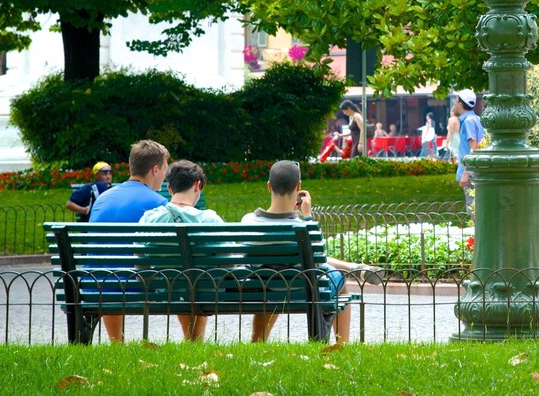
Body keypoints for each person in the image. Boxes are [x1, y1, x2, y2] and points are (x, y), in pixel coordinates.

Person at [241, 160, 384, 343]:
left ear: (269, 187)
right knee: (337, 278)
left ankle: (257, 341)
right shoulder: (303, 226)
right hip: (302, 287)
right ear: (299, 187)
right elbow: (317, 262)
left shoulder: (248, 221)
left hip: (264, 286)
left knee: (274, 276)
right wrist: (307, 216)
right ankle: (342, 343)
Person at [89, 139, 170, 343]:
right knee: (185, 280)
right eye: (164, 169)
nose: (165, 176)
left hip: (94, 282)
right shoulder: (158, 203)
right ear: (154, 170)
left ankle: (117, 343)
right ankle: (193, 341)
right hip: (134, 284)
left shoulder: (103, 198)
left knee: (110, 270)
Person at [139, 160, 222, 341]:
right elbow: (228, 261)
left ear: (169, 188)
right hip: (205, 290)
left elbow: (140, 264)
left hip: (166, 290)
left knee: (181, 283)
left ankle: (193, 343)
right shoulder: (209, 219)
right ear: (197, 185)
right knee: (198, 281)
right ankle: (195, 343)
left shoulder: (149, 219)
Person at [453, 89, 485, 214]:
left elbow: (474, 147)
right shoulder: (476, 118)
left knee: (473, 209)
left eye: (456, 101)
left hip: (471, 171)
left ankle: (476, 233)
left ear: (461, 104)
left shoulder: (468, 121)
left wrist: (466, 172)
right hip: (476, 169)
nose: (454, 103)